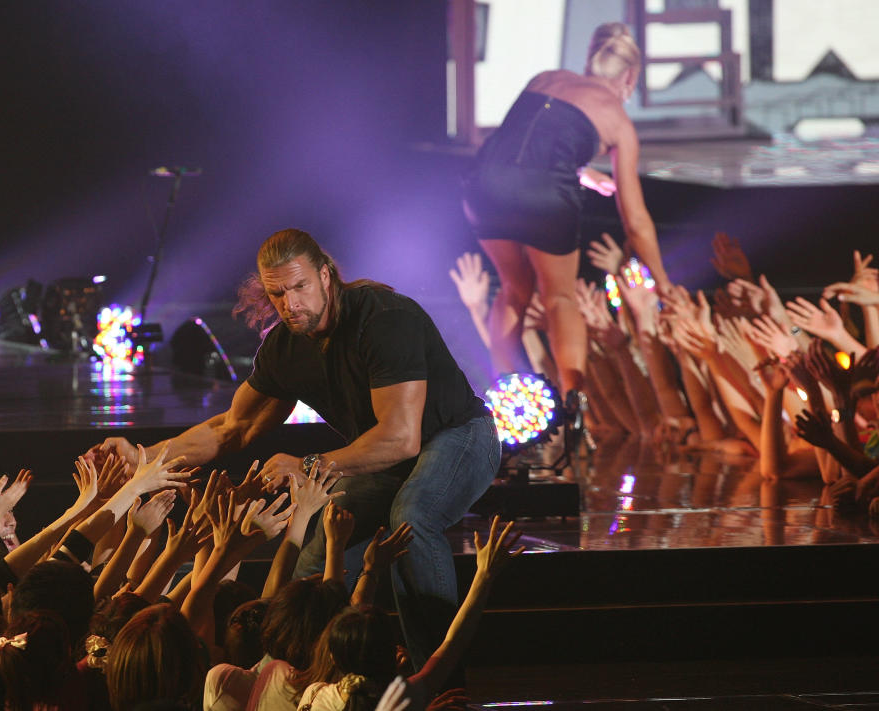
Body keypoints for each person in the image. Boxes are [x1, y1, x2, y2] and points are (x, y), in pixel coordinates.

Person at [91, 228, 501, 671]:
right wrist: (143, 457)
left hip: (457, 437)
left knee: (413, 516)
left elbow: (402, 438)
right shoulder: (284, 349)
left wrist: (310, 464)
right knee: (313, 560)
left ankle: (439, 679)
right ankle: (310, 682)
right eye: (278, 294)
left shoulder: (385, 319)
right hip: (384, 459)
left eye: (300, 287)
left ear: (326, 276)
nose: (290, 304)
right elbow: (232, 428)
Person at [462, 21, 672, 430]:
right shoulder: (619, 123)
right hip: (543, 195)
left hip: (484, 185)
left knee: (514, 288)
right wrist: (662, 281)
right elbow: (637, 220)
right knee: (559, 297)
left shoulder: (546, 78)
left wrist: (577, 169)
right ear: (630, 77)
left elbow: (520, 145)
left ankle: (505, 394)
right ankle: (573, 399)